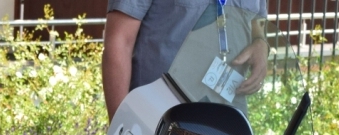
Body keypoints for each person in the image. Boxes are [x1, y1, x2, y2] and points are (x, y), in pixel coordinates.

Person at [102, 0, 269, 121]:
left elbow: (256, 20)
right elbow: (119, 43)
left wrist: (261, 42)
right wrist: (120, 128)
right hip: (159, 121)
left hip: (229, 122)